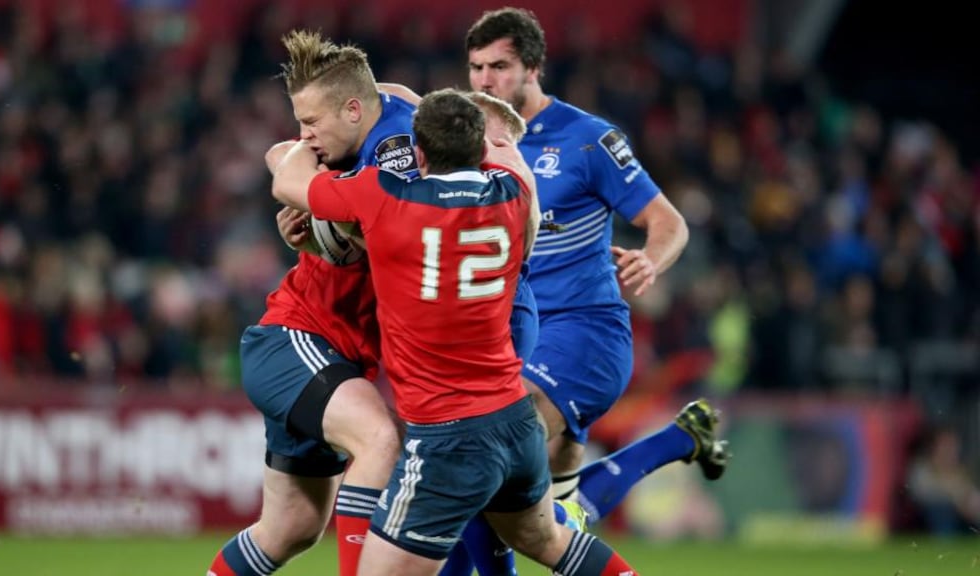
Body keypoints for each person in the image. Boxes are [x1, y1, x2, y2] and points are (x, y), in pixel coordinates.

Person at [270, 87, 639, 576]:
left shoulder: (385, 196)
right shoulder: (511, 192)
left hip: (448, 435)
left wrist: (308, 136)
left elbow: (289, 182)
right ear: (480, 150)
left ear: (418, 152)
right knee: (547, 540)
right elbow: (513, 162)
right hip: (514, 422)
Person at [463, 7, 730, 523]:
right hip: (513, 342)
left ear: (533, 67)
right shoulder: (473, 144)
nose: (484, 80)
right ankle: (677, 440)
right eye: (476, 67)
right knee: (553, 520)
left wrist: (650, 260)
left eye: (498, 66)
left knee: (488, 451)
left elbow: (669, 222)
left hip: (583, 331)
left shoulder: (588, 139)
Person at [207, 29, 419, 576]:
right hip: (296, 340)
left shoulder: (393, 151)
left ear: (354, 109)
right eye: (299, 122)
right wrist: (319, 208)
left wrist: (328, 216)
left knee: (290, 530)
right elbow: (282, 155)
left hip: (337, 356)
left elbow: (388, 231)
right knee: (379, 438)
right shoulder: (371, 124)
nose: (304, 137)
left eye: (311, 123)